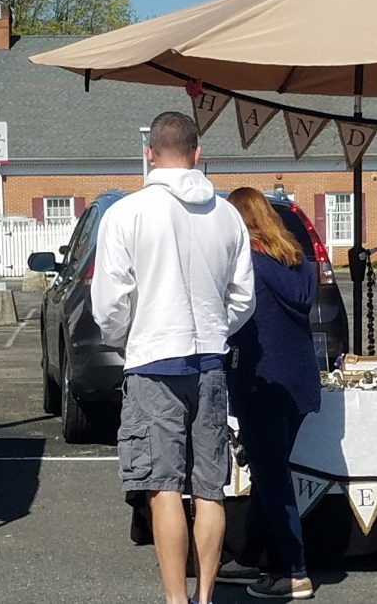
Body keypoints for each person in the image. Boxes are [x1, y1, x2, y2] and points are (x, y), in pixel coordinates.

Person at [91, 111, 255, 604]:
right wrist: (212, 329)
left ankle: (174, 600)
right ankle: (205, 595)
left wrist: (129, 338)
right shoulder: (227, 214)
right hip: (208, 359)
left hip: (152, 360)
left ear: (149, 154)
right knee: (210, 487)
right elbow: (243, 297)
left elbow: (109, 304)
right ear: (198, 153)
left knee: (161, 486)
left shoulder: (126, 213)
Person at [216, 187, 319, 600]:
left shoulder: (248, 265)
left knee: (273, 476)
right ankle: (252, 555)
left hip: (260, 378)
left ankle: (293, 570)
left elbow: (233, 320)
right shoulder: (297, 260)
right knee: (268, 469)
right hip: (298, 379)